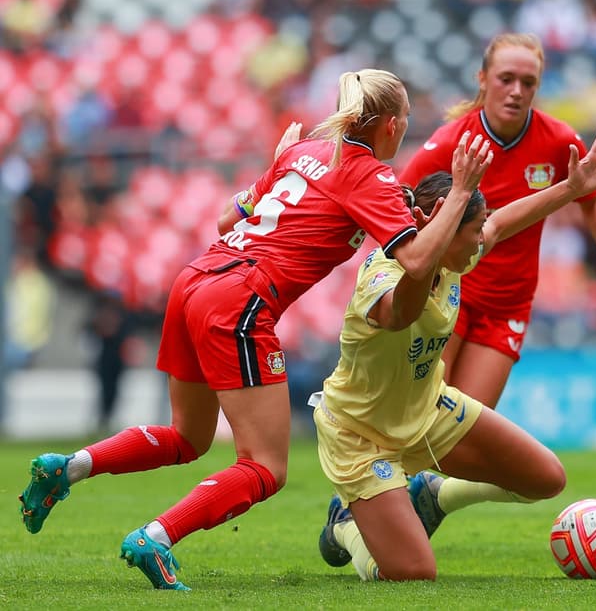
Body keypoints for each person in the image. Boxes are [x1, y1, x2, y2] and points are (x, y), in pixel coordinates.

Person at [18, 69, 464, 591]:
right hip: (241, 299)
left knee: (188, 436)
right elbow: (414, 259)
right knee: (266, 466)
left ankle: (67, 468)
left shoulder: (303, 156)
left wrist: (275, 164)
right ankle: (156, 538)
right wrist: (461, 195)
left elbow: (226, 218)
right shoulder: (368, 173)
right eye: (406, 119)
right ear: (392, 125)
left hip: (196, 279)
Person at [315, 126, 596, 581]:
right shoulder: (384, 273)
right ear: (442, 230)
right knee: (412, 572)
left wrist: (572, 188)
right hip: (361, 434)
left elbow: (502, 222)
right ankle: (345, 527)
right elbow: (402, 313)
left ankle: (434, 495)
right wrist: (446, 222)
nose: (484, 235)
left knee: (546, 479)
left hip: (428, 412)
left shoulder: (455, 252)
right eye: (474, 228)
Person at [400, 33, 596, 409]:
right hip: (450, 296)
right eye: (506, 79)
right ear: (483, 79)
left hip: (508, 304)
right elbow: (399, 198)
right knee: (424, 411)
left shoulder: (557, 141)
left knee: (465, 423)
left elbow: (592, 201)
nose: (516, 91)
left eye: (528, 82)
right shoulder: (452, 141)